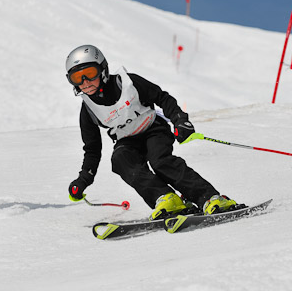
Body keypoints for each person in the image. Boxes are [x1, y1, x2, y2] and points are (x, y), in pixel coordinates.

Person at [65, 44, 244, 220]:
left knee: (160, 161)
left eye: (89, 74)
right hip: (127, 141)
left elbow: (162, 98)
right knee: (120, 160)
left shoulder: (127, 83)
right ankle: (166, 198)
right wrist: (83, 180)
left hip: (153, 129)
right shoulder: (88, 109)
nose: (84, 83)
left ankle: (210, 198)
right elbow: (92, 149)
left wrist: (180, 120)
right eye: (76, 78)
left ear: (103, 70)